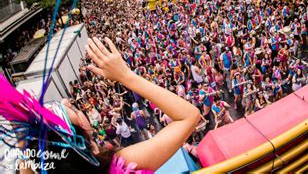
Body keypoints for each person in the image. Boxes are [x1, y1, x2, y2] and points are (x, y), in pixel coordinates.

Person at [9, 37, 201, 173]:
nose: (68, 101)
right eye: (73, 109)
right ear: (81, 136)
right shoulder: (120, 164)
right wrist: (125, 75)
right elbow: (189, 116)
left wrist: (26, 145)